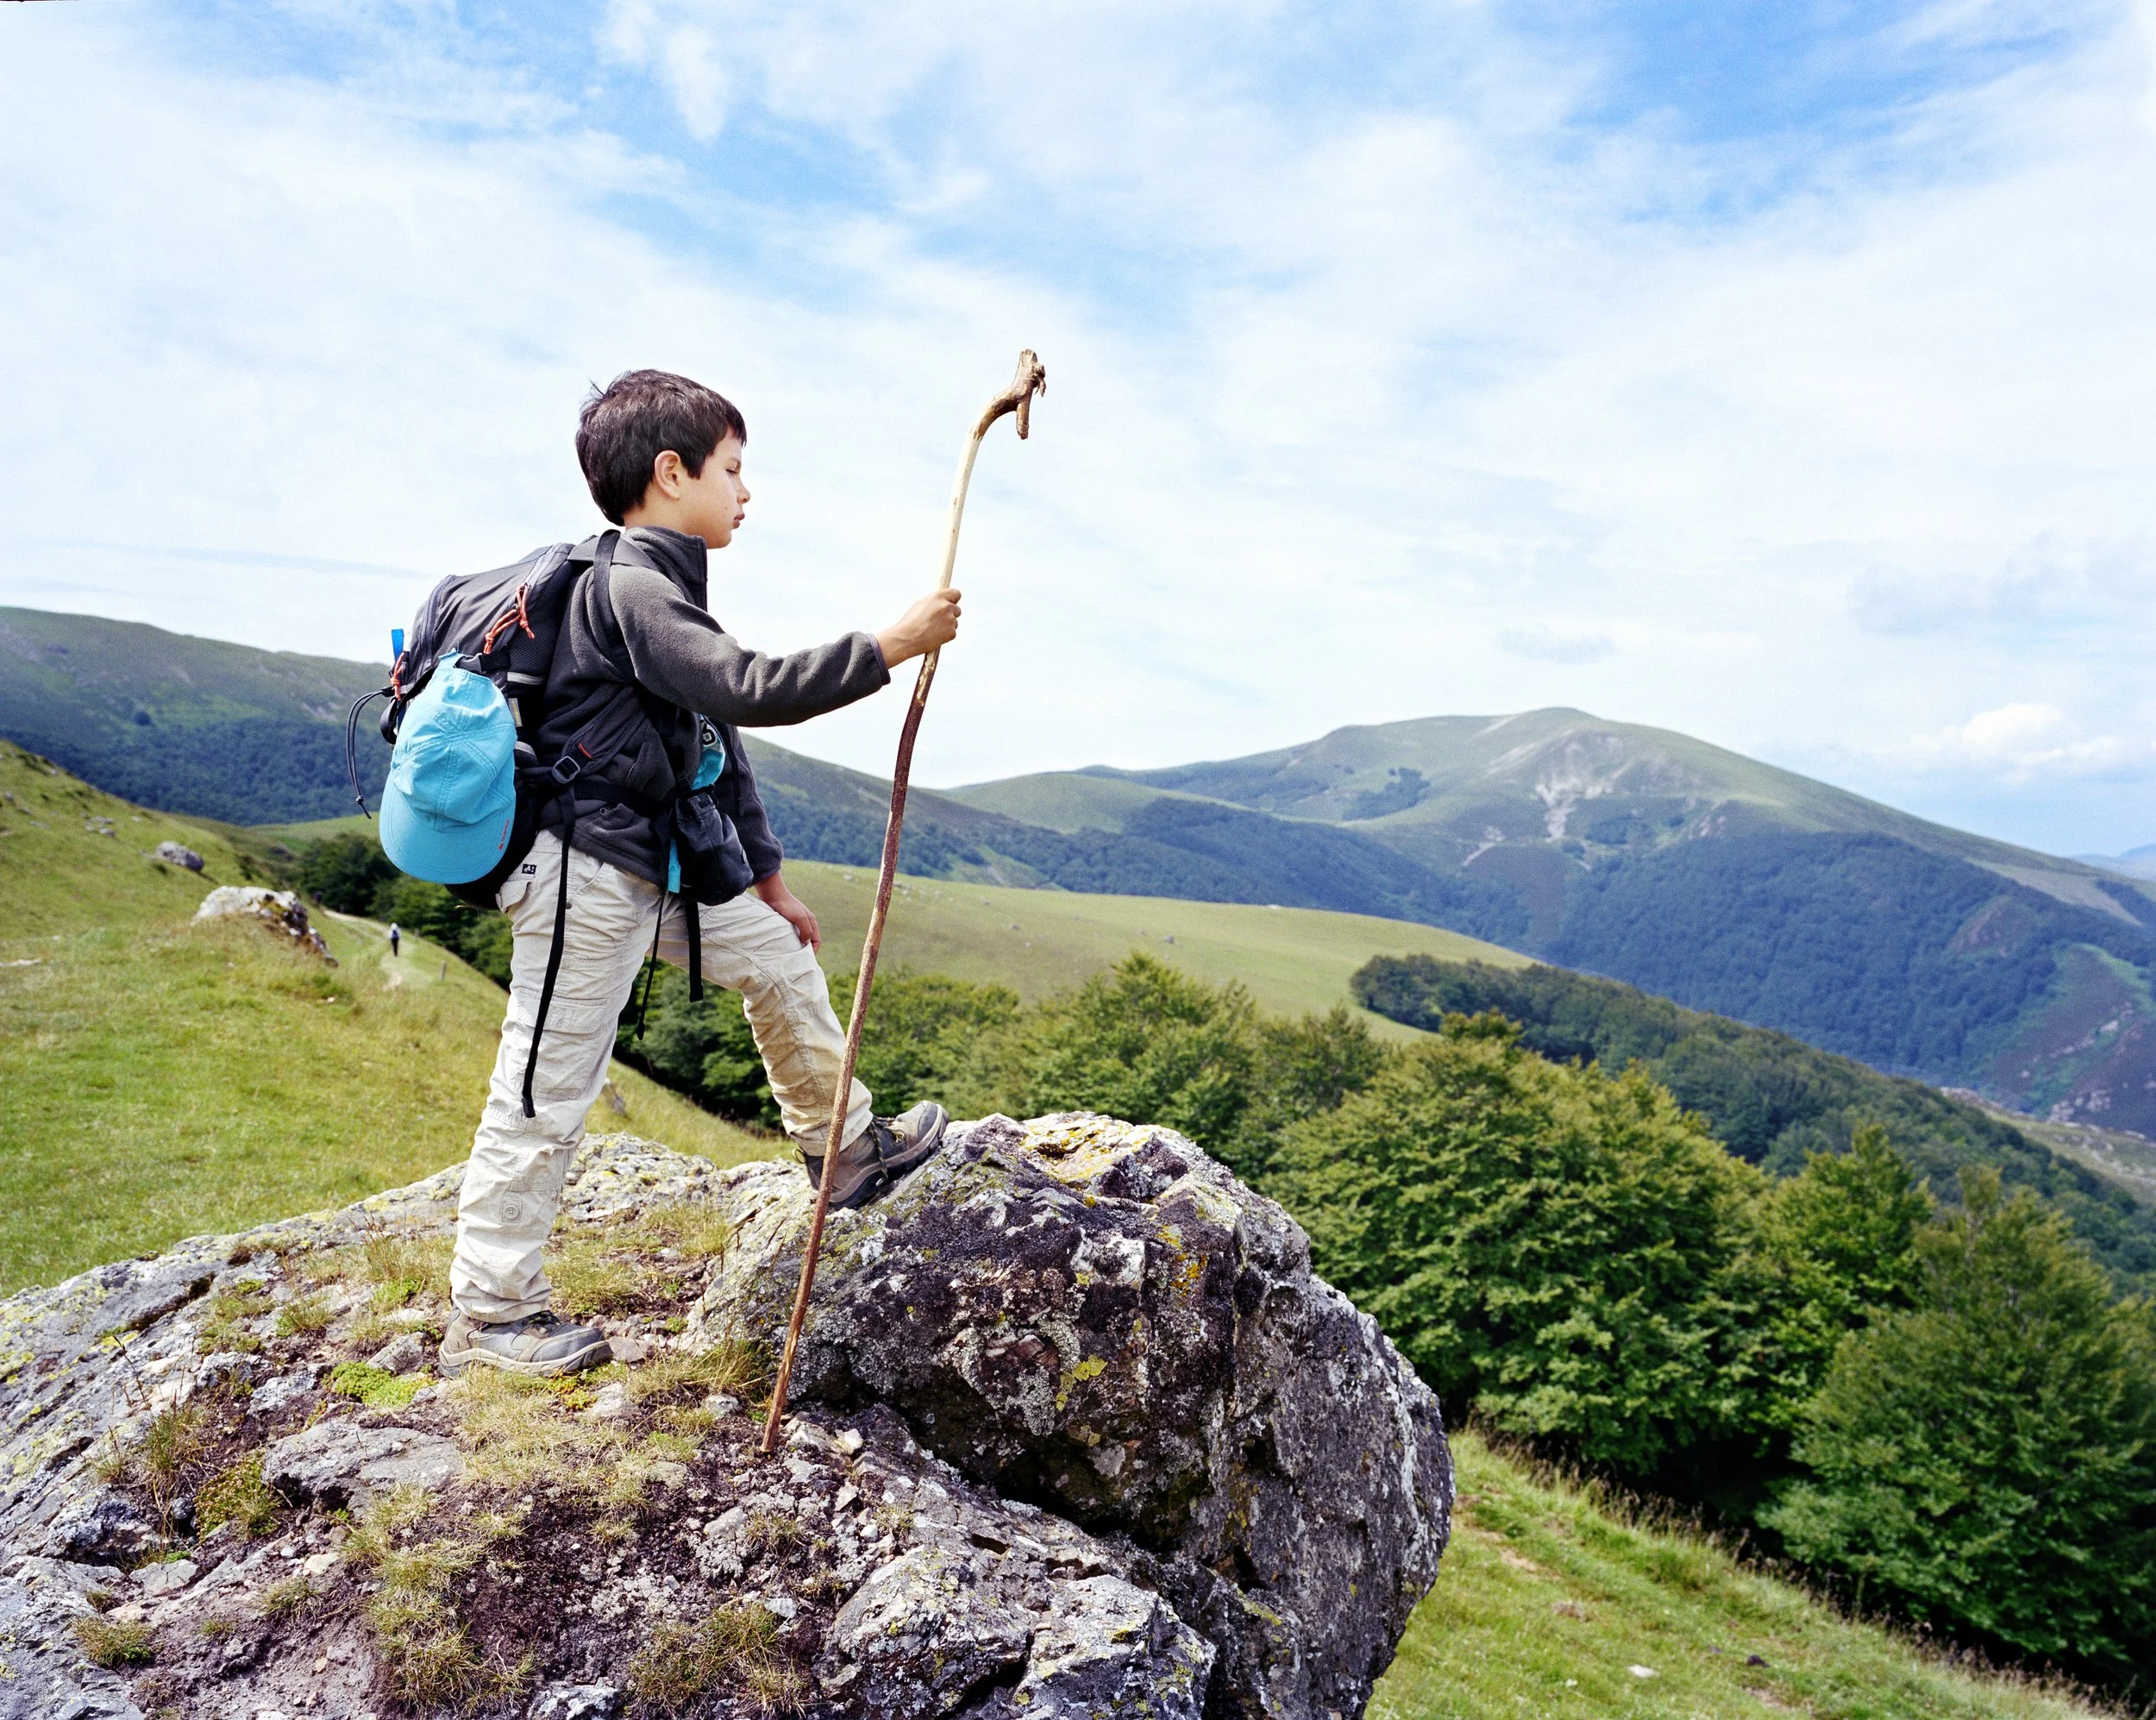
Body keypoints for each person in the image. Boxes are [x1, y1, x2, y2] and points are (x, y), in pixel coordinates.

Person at [436, 369, 961, 1379]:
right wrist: (892, 643)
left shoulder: (659, 587)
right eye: (732, 468)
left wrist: (764, 878)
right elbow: (746, 689)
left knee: (775, 954)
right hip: (585, 880)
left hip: (644, 871)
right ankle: (491, 1315)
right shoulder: (631, 585)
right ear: (670, 473)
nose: (746, 491)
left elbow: (709, 737)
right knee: (543, 1087)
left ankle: (843, 1151)